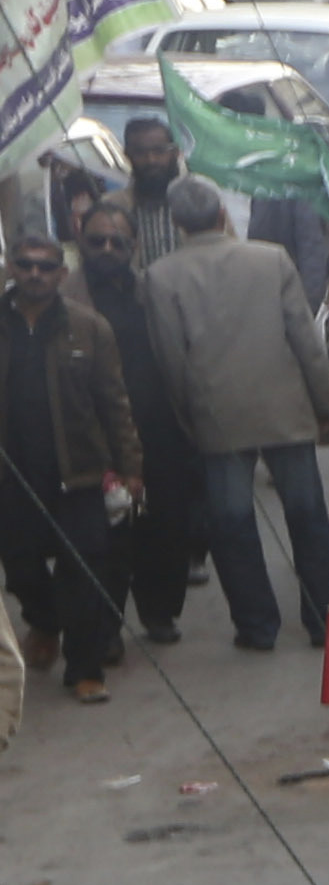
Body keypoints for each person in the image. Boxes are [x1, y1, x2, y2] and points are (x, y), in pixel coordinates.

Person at [131, 179, 329, 653]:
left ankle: (257, 625)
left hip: (215, 414)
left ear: (178, 223)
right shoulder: (271, 259)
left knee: (232, 525)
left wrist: (188, 419)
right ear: (222, 213)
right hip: (285, 407)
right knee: (307, 516)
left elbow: (171, 359)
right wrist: (324, 403)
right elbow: (306, 340)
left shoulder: (161, 276)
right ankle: (324, 618)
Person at [0, 229, 139, 700]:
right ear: (11, 269)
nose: (34, 274)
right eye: (25, 264)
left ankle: (84, 669)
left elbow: (115, 404)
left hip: (77, 470)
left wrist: (131, 468)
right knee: (19, 565)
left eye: (45, 266)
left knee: (85, 567)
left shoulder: (88, 326)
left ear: (61, 273)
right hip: (10, 476)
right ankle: (43, 621)